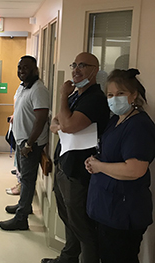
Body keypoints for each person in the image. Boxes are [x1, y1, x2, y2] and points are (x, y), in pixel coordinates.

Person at [42, 52, 110, 263]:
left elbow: (68, 125)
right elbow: (55, 122)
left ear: (95, 70)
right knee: (68, 219)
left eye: (83, 65)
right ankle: (68, 258)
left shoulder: (95, 99)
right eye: (74, 65)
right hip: (64, 165)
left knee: (82, 226)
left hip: (79, 173)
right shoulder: (77, 95)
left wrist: (63, 96)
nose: (76, 69)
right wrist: (63, 123)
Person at [85, 69, 155, 263]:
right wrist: (94, 162)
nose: (114, 99)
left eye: (120, 94)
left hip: (123, 213)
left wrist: (100, 167)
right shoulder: (116, 120)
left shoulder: (138, 125)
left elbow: (135, 169)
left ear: (133, 95)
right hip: (107, 208)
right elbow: (109, 154)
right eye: (110, 95)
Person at [0, 55, 49, 230]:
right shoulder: (23, 87)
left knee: (27, 180)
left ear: (35, 69)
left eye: (26, 68)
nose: (22, 71)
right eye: (20, 68)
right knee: (23, 177)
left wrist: (29, 144)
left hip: (31, 144)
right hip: (22, 141)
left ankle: (21, 219)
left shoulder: (38, 89)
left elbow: (40, 119)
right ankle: (23, 207)